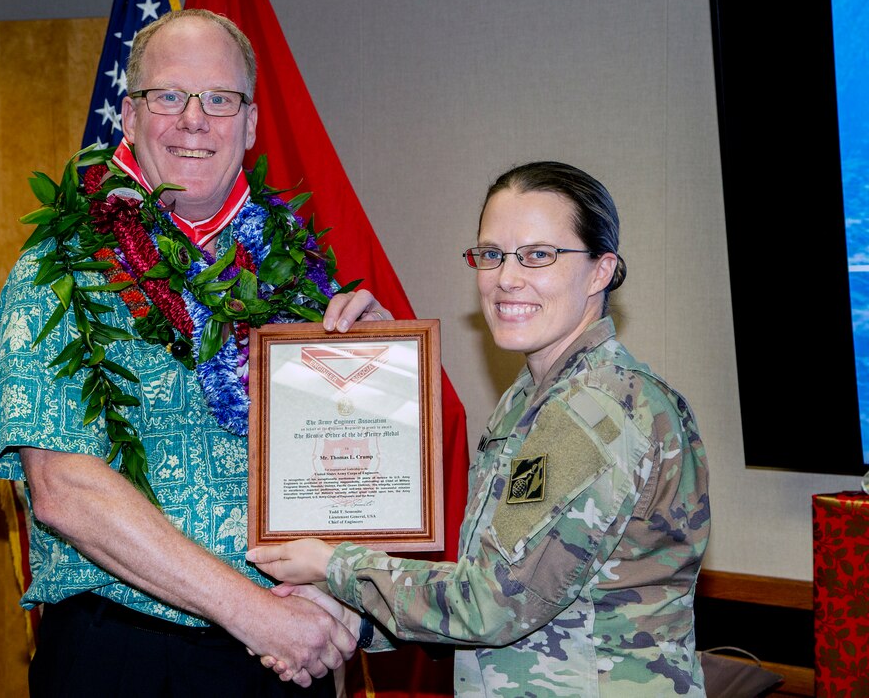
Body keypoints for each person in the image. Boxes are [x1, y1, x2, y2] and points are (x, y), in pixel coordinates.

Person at [0, 9, 390, 697]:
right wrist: (255, 614)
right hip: (127, 658)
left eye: (219, 99)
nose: (194, 119)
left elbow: (343, 475)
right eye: (168, 95)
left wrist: (374, 370)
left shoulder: (297, 272)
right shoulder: (59, 267)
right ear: (130, 116)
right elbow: (64, 491)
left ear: (250, 124)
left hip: (283, 656)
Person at [248, 161, 711, 696]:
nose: (506, 278)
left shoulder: (597, 407)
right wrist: (387, 370)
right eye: (492, 255)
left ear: (601, 270)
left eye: (539, 255)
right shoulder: (530, 398)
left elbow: (493, 602)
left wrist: (333, 565)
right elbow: (504, 593)